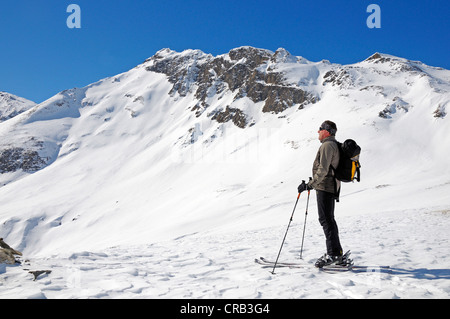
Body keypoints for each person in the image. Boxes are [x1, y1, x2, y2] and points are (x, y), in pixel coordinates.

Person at [297, 120, 345, 268]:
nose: (318, 131)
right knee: (329, 220)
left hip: (325, 187)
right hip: (329, 186)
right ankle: (336, 253)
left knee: (326, 220)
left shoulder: (327, 145)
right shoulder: (333, 145)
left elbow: (323, 170)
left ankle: (334, 254)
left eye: (320, 129)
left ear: (327, 131)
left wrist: (309, 185)